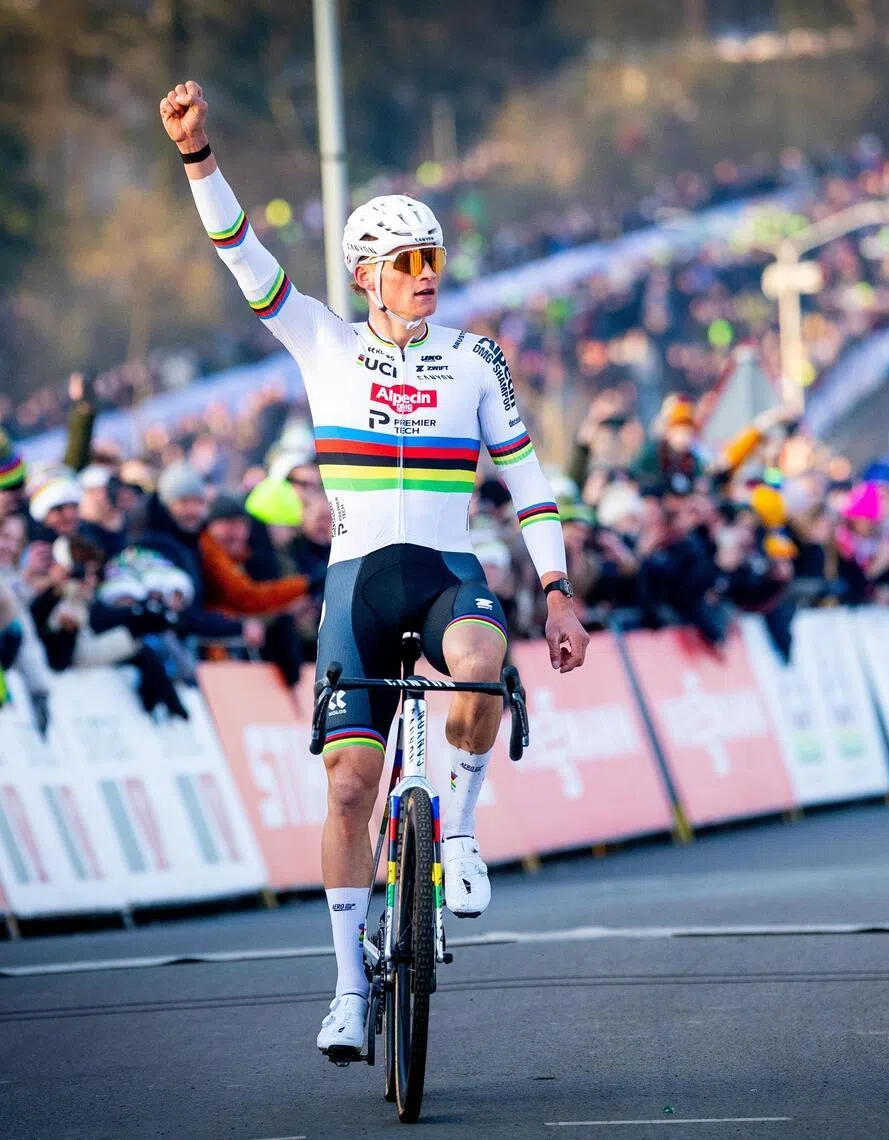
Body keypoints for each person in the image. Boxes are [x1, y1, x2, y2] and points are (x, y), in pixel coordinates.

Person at [161, 80, 589, 1060]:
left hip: (445, 567)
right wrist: (199, 161)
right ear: (367, 276)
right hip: (356, 580)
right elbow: (240, 256)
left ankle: (467, 830)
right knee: (350, 787)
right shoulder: (322, 341)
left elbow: (526, 481)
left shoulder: (476, 358)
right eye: (407, 263)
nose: (427, 275)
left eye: (434, 258)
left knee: (482, 665)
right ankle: (350, 991)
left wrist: (558, 593)